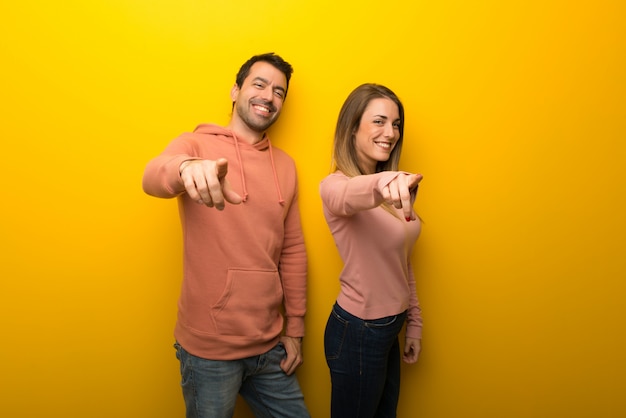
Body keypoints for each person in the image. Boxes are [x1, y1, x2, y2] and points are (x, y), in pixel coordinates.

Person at [142, 52, 310, 418]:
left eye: (279, 91)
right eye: (260, 84)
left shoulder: (285, 165)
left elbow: (293, 250)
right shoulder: (196, 145)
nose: (269, 96)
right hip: (209, 352)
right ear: (235, 90)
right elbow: (152, 176)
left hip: (269, 346)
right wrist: (186, 168)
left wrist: (295, 328)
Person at [320, 83, 424, 417]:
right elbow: (347, 195)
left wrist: (414, 324)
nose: (390, 132)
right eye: (379, 121)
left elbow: (401, 260)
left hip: (388, 328)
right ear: (352, 129)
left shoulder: (396, 191)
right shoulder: (336, 186)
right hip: (357, 332)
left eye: (395, 124)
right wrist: (382, 184)